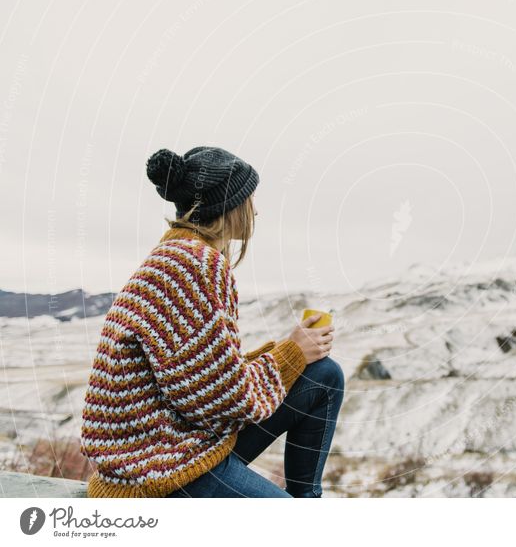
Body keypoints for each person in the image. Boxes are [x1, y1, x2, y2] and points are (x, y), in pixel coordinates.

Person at [79, 146, 345, 498]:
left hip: (177, 441)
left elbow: (201, 381)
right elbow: (224, 401)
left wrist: (293, 352)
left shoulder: (178, 257)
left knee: (323, 374)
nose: (256, 210)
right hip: (161, 470)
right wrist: (292, 353)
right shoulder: (195, 265)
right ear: (228, 205)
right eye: (249, 199)